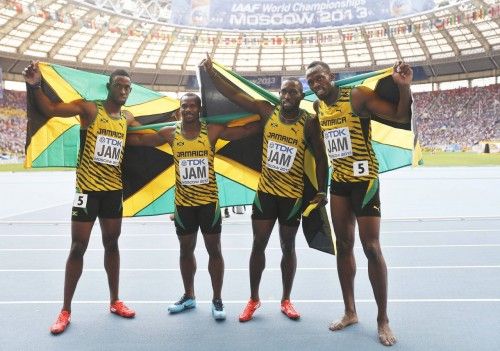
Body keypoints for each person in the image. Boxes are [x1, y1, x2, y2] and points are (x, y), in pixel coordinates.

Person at [202, 54, 328, 322]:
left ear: (300, 96)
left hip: (292, 196)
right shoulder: (267, 112)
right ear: (279, 94)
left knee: (288, 247)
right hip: (266, 194)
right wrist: (213, 74)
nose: (287, 95)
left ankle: (286, 299)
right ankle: (253, 299)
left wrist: (322, 191)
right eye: (283, 91)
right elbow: (236, 95)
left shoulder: (309, 122)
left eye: (293, 91)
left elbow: (320, 156)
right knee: (258, 245)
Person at [23, 61, 140, 335]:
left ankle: (115, 301)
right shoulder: (90, 109)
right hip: (86, 191)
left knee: (112, 244)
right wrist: (36, 84)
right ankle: (65, 310)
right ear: (109, 87)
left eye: (127, 88)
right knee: (78, 247)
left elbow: (150, 134)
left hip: (113, 191)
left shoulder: (128, 118)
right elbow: (49, 109)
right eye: (119, 86)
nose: (123, 90)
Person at [305, 60, 413, 346]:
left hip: (364, 180)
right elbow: (321, 152)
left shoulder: (356, 95)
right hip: (339, 183)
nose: (317, 84)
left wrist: (404, 87)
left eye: (320, 78)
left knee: (371, 248)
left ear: (332, 77)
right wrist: (320, 189)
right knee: (343, 246)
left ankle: (383, 319)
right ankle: (350, 311)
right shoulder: (318, 108)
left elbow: (401, 117)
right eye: (311, 82)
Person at [127, 92, 260, 320]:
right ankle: (189, 295)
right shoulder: (170, 133)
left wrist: (266, 116)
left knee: (214, 251)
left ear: (199, 109)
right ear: (179, 110)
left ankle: (217, 299)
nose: (188, 110)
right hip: (184, 205)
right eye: (184, 106)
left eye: (192, 106)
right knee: (185, 250)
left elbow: (246, 131)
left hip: (208, 203)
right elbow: (139, 139)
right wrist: (124, 124)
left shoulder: (212, 131)